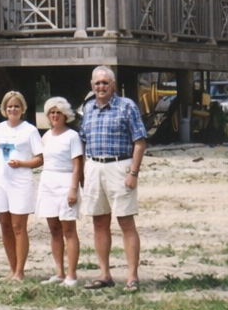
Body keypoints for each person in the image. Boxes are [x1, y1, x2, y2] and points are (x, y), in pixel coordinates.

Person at [78, 66, 148, 291]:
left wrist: (133, 172)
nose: (101, 87)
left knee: (126, 222)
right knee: (99, 222)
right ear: (92, 86)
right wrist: (82, 173)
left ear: (113, 85)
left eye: (105, 83)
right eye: (97, 83)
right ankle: (104, 274)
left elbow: (140, 141)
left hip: (120, 166)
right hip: (94, 165)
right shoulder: (88, 109)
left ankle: (132, 277)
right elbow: (82, 140)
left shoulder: (127, 107)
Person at [0, 90, 43, 281]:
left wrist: (22, 163)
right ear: (4, 109)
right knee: (4, 225)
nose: (13, 109)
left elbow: (40, 158)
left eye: (16, 106)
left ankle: (20, 271)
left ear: (22, 109)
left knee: (18, 226)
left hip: (20, 181)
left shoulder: (29, 130)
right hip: (0, 180)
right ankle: (11, 269)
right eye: (9, 106)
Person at [34, 96, 84, 286]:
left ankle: (72, 274)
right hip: (48, 182)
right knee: (54, 229)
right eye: (51, 113)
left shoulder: (72, 136)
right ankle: (59, 272)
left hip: (66, 182)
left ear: (65, 115)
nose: (55, 116)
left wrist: (73, 189)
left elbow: (77, 164)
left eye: (58, 112)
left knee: (68, 230)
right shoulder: (46, 136)